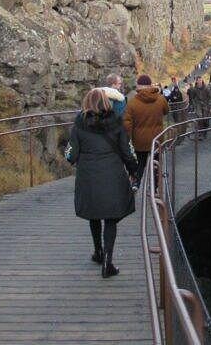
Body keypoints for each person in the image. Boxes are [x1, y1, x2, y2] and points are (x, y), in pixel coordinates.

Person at [65, 88, 138, 278]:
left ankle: (98, 252)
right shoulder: (117, 124)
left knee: (94, 215)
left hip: (88, 177)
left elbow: (70, 155)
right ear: (107, 103)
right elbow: (127, 152)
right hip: (113, 175)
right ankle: (108, 262)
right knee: (111, 219)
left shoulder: (79, 125)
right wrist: (133, 171)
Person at [123, 74, 169, 188]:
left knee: (140, 163)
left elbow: (127, 123)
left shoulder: (132, 103)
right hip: (157, 139)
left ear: (139, 86)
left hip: (139, 140)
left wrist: (127, 140)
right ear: (150, 85)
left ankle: (136, 183)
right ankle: (155, 187)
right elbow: (166, 111)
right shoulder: (160, 99)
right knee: (156, 163)